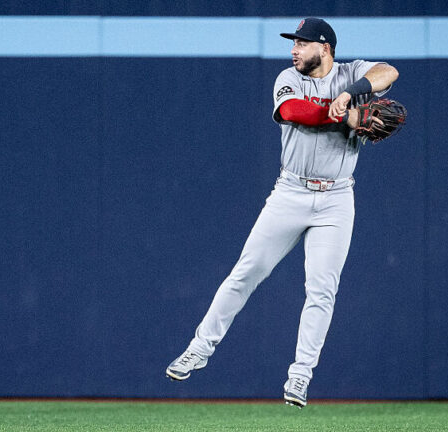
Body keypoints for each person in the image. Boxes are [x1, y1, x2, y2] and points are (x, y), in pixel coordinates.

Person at [165, 18, 399, 408]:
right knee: (246, 272)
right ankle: (199, 348)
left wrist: (353, 93)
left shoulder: (350, 73)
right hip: (290, 192)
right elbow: (294, 112)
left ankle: (300, 376)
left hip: (337, 199)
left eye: (302, 43)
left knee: (322, 290)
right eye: (293, 43)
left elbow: (388, 71)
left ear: (324, 48)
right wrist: (346, 114)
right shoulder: (287, 78)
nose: (293, 50)